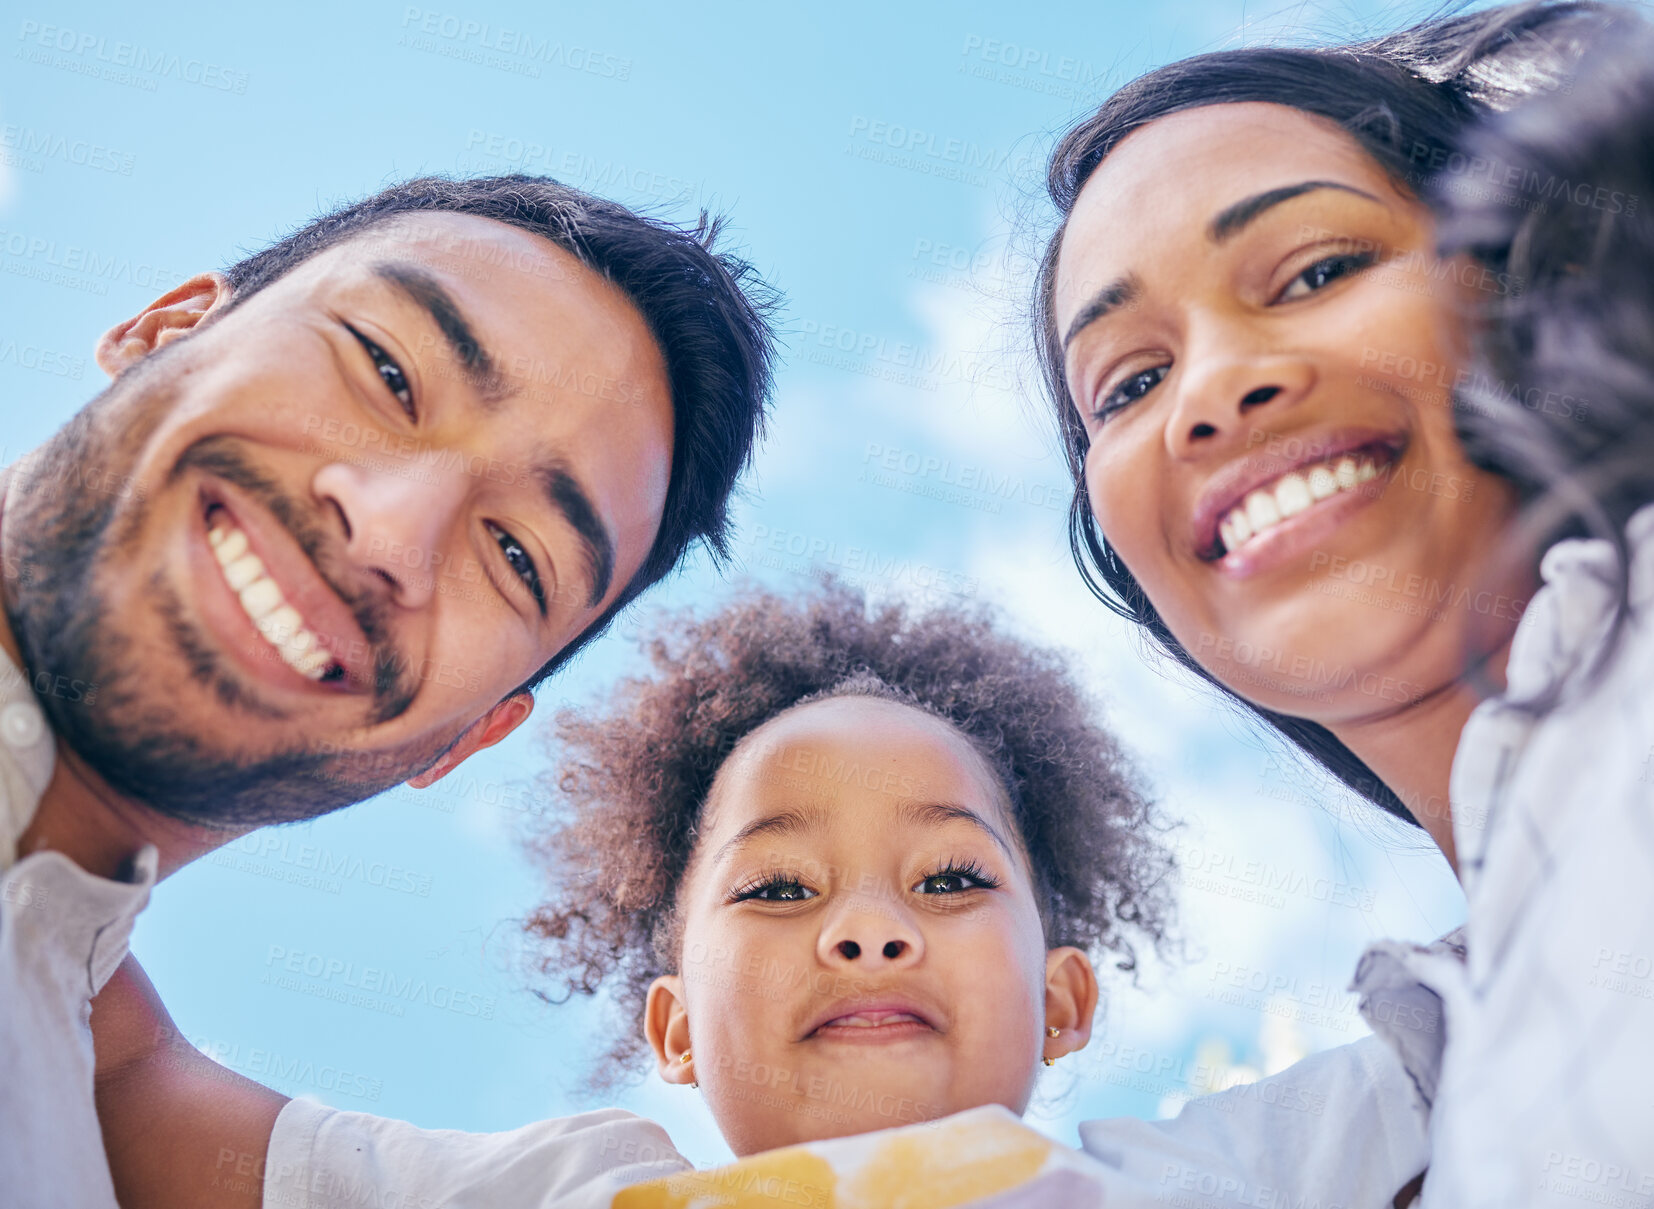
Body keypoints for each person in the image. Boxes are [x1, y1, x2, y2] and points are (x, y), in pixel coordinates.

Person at [99, 581, 1432, 1207]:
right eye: (780, 884)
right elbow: (127, 1088)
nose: (863, 927)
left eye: (952, 875)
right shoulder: (562, 1197)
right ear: (672, 1026)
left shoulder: (1216, 1182)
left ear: (1061, 994)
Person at [1, 172, 776, 1209]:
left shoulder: (89, 1075)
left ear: (463, 740)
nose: (394, 533)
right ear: (165, 329)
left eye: (515, 553)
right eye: (385, 370)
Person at [1035, 0, 1653, 1202]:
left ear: (1533, 271)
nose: (1209, 395)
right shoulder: (1396, 1119)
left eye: (1317, 270)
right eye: (1131, 383)